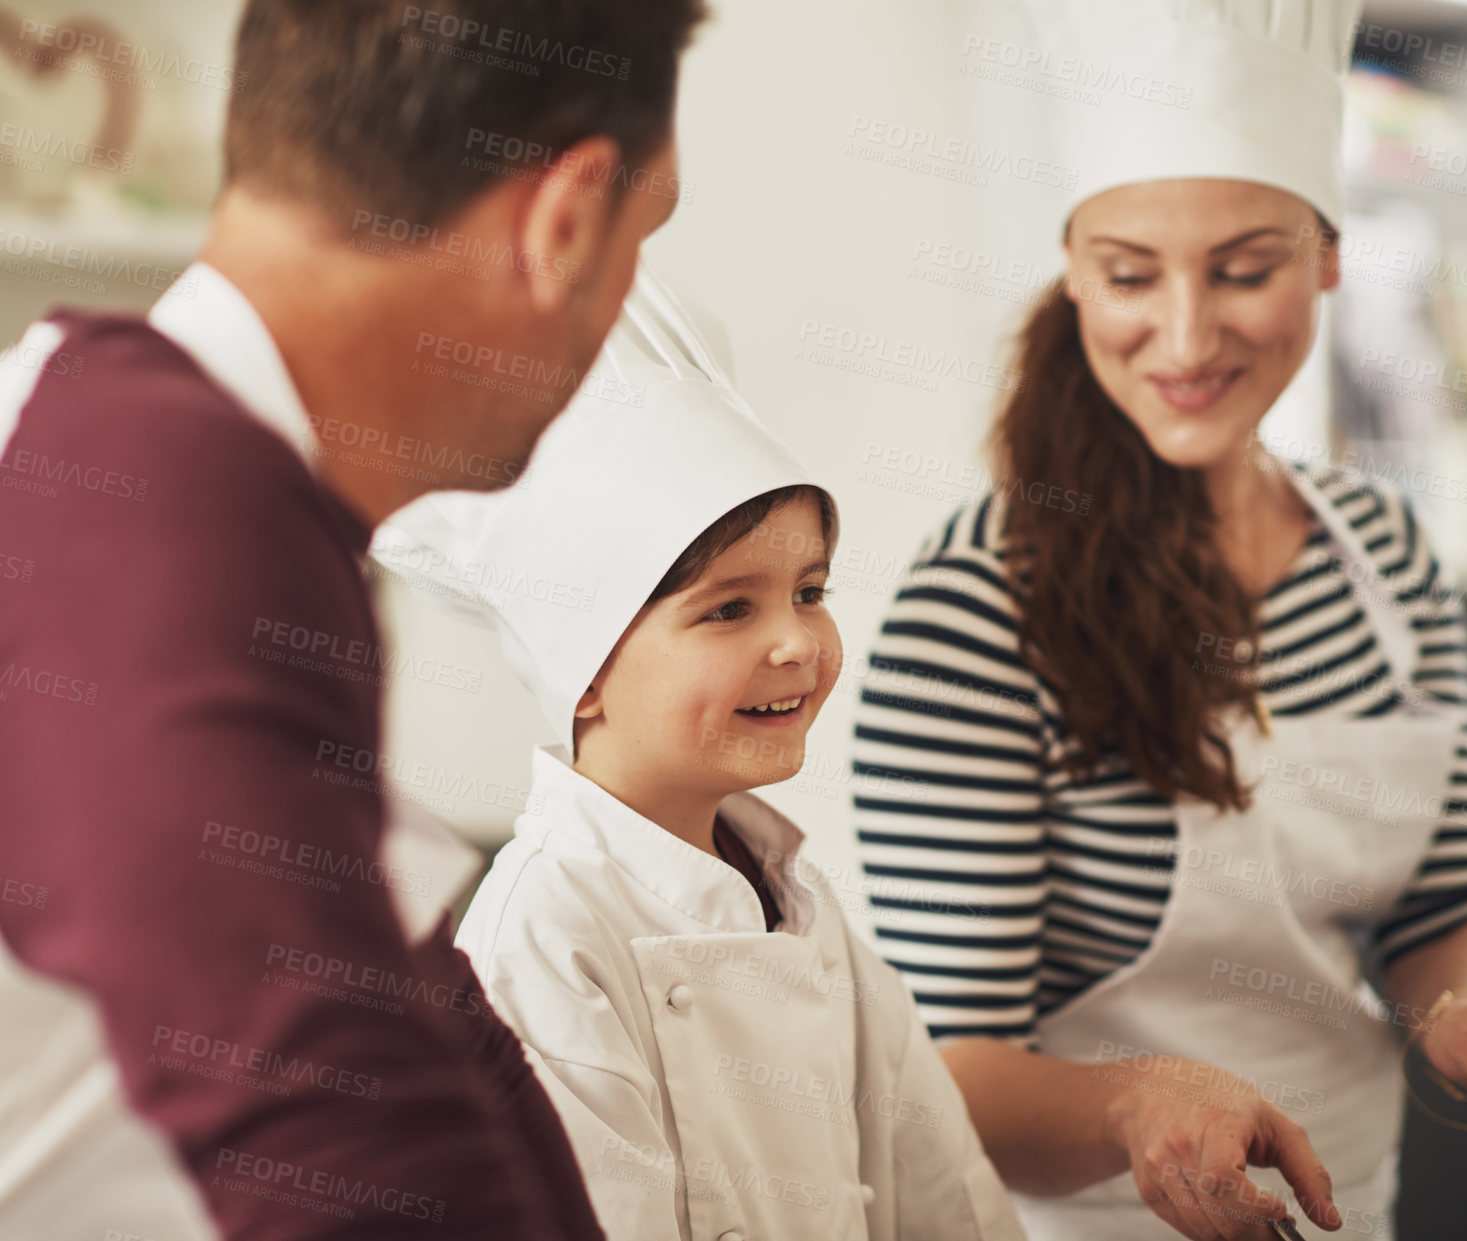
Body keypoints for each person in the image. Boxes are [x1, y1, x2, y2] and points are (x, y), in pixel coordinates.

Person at [848, 1, 1467, 1238]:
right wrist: (1137, 1103)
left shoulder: (1381, 550)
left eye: (1246, 268)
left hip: (1357, 1205)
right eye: (1130, 274)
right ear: (1074, 272)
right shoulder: (978, 603)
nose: (1186, 335)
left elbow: (1447, 893)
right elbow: (949, 1068)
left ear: (1327, 258)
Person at [0, 1, 703, 1237]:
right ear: (565, 220)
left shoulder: (157, 458)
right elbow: (344, 1142)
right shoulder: (157, 488)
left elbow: (428, 1024)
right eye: (642, 233)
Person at [370, 266, 1028, 1240]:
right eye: (730, 608)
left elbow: (949, 1200)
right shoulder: (543, 944)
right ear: (582, 669)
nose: (798, 641)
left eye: (810, 590)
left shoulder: (802, 910)